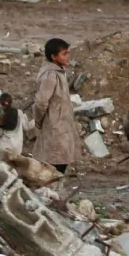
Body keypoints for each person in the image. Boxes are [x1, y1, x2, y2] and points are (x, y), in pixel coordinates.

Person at [32, 38, 83, 175]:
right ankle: (49, 194)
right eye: (64, 54)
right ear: (54, 57)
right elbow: (41, 102)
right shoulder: (50, 75)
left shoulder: (58, 72)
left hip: (61, 125)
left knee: (60, 162)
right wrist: (38, 121)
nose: (68, 57)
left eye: (67, 53)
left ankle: (51, 193)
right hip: (55, 126)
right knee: (55, 165)